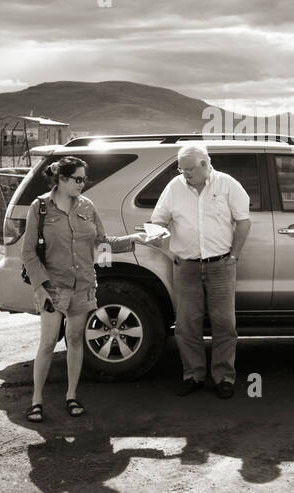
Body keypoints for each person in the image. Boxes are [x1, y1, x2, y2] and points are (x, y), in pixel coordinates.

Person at [21, 156, 150, 422]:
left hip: (83, 286)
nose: (82, 184)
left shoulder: (87, 206)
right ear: (61, 179)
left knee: (75, 340)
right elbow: (28, 253)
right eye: (78, 179)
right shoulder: (40, 207)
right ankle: (36, 400)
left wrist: (134, 239)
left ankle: (71, 395)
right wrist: (40, 287)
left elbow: (102, 241)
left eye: (84, 179)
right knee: (48, 342)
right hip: (53, 287)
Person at [147, 144, 251, 398]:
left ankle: (224, 378)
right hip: (186, 266)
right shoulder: (174, 187)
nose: (184, 174)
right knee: (186, 325)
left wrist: (234, 255)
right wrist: (164, 244)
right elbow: (158, 220)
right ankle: (193, 375)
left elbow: (243, 221)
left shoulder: (227, 184)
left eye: (189, 169)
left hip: (221, 265)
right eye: (181, 169)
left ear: (205, 164)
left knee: (224, 324)